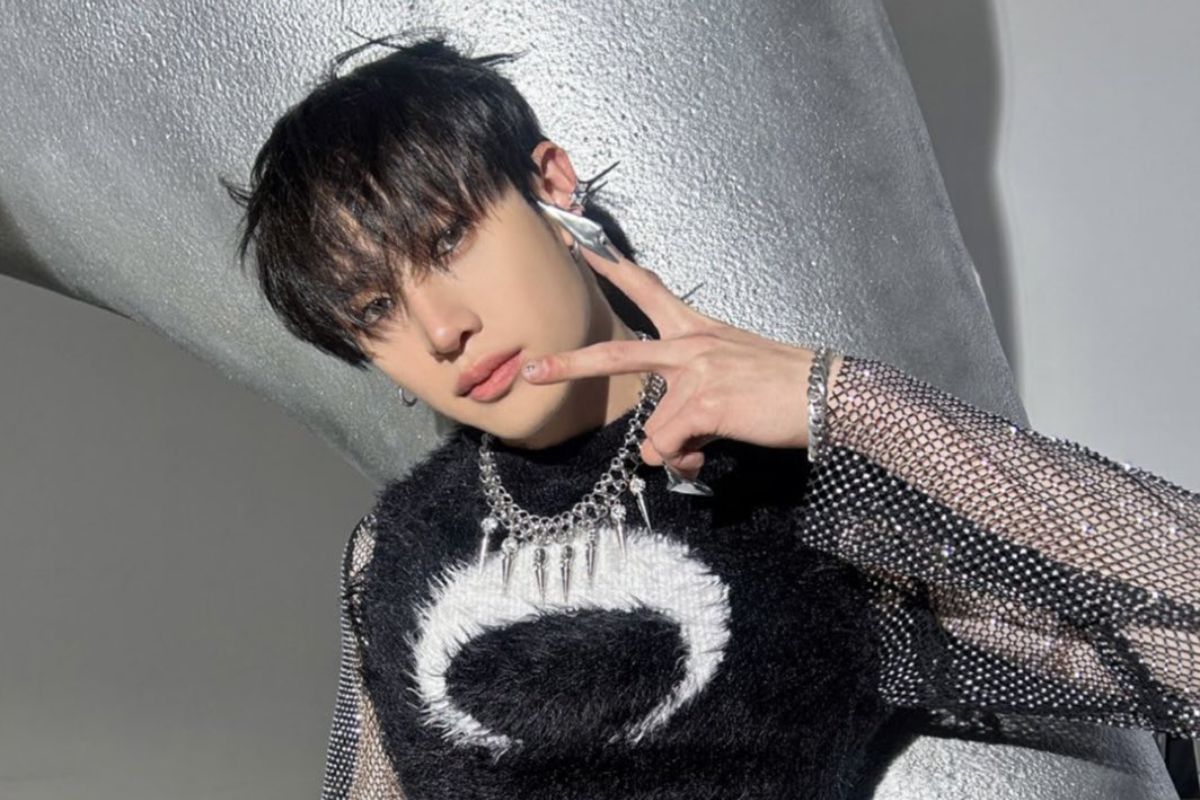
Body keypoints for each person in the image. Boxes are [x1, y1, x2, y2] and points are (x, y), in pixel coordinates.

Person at [221, 30, 1200, 800]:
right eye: (376, 311)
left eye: (447, 241)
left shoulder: (806, 487)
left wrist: (834, 398)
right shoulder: (394, 550)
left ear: (551, 185)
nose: (441, 328)